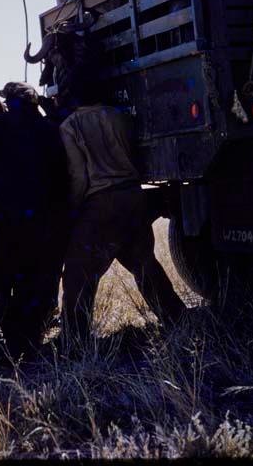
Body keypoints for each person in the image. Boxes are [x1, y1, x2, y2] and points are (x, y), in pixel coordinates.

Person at [59, 82, 185, 351]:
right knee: (144, 263)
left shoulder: (70, 126)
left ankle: (73, 341)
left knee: (78, 275)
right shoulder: (119, 116)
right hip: (132, 195)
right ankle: (177, 319)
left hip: (100, 203)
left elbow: (79, 176)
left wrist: (73, 208)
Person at [0, 82, 69, 365]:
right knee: (36, 284)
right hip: (43, 225)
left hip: (2, 225)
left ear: (9, 101)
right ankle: (27, 346)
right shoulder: (49, 129)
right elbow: (64, 177)